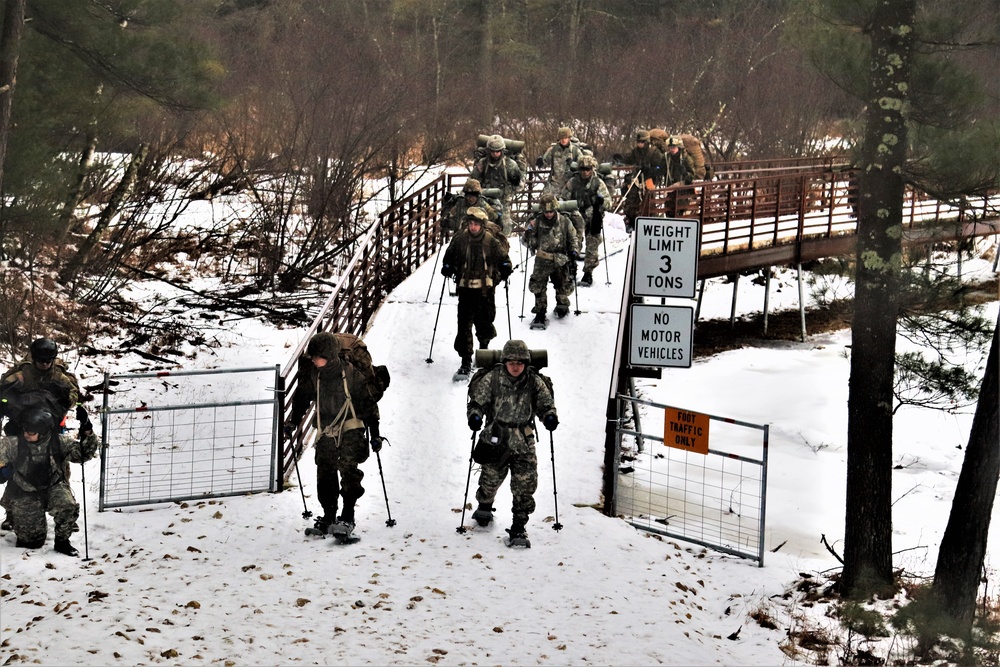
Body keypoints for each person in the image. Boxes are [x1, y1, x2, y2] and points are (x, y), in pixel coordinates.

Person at [288, 331, 383, 537]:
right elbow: (302, 398)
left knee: (348, 471)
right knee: (325, 472)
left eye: (317, 357)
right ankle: (328, 515)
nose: (313, 360)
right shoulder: (316, 375)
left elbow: (368, 405)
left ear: (330, 356)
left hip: (351, 428)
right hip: (326, 429)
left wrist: (375, 434)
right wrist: (293, 422)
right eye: (312, 357)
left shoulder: (351, 374)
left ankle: (347, 516)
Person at [466, 339, 558, 546]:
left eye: (520, 363)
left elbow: (546, 404)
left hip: (523, 440)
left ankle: (519, 527)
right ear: (505, 362)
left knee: (525, 484)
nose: (515, 367)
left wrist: (549, 417)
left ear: (525, 362)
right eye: (511, 362)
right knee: (490, 478)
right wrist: (475, 416)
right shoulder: (493, 378)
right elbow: (477, 402)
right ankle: (485, 505)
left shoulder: (534, 381)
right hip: (496, 437)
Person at [1, 337, 85, 532]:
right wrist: (14, 397)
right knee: (18, 466)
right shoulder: (23, 372)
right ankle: (12, 513)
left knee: (59, 467)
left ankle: (66, 515)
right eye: (41, 361)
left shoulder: (59, 375)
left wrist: (62, 396)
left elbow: (73, 395)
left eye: (48, 362)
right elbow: (4, 391)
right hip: (24, 426)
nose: (44, 365)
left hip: (51, 427)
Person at [0, 407, 99, 556]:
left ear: (43, 431)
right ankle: (17, 518)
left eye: (31, 432)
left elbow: (83, 454)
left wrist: (87, 429)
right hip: (24, 491)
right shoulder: (12, 444)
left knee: (67, 506)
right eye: (25, 431)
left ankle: (62, 542)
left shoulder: (59, 442)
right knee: (32, 542)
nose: (26, 434)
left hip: (53, 486)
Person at [441, 207, 513, 377]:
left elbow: (504, 258)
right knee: (464, 326)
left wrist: (505, 267)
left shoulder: (491, 241)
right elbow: (449, 257)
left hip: (485, 291)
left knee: (485, 323)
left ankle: (484, 352)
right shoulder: (459, 239)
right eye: (470, 224)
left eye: (476, 224)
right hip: (465, 290)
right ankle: (466, 360)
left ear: (482, 225)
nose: (473, 227)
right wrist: (447, 266)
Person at [523, 193, 579, 327]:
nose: (548, 214)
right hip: (542, 259)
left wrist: (574, 251)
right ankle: (540, 311)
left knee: (562, 284)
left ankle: (562, 304)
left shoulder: (565, 221)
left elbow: (573, 238)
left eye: (551, 211)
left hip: (560, 259)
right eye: (546, 211)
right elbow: (526, 242)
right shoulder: (536, 222)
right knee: (538, 286)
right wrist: (529, 232)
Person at [562, 155, 610, 287]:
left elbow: (608, 202)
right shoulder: (573, 182)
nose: (585, 172)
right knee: (572, 241)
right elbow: (563, 198)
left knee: (592, 243)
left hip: (592, 216)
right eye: (582, 169)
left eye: (588, 169)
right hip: (576, 215)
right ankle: (571, 266)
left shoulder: (598, 183)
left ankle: (588, 272)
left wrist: (601, 202)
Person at [616, 129, 666, 233]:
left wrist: (650, 169)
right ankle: (631, 221)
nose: (639, 144)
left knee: (648, 201)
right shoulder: (636, 152)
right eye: (638, 142)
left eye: (642, 142)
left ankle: (650, 222)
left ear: (647, 142)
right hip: (638, 179)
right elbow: (629, 158)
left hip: (649, 179)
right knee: (631, 199)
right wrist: (620, 158)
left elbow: (661, 167)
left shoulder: (654, 152)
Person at [470, 134, 522, 234]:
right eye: (493, 151)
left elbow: (518, 184)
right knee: (484, 229)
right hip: (486, 202)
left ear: (502, 151)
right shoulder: (483, 163)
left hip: (504, 202)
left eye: (498, 151)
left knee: (504, 230)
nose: (495, 154)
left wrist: (509, 192)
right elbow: (473, 181)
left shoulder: (510, 164)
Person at [538, 127, 582, 196]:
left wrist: (573, 164)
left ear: (569, 138)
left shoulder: (575, 150)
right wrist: (541, 162)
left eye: (565, 138)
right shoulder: (553, 150)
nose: (563, 140)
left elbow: (583, 166)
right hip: (555, 184)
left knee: (569, 205)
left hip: (569, 184)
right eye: (562, 138)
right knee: (547, 202)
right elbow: (545, 161)